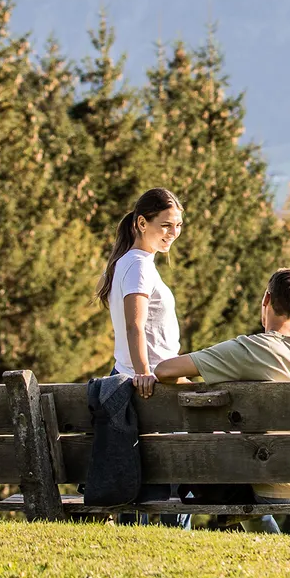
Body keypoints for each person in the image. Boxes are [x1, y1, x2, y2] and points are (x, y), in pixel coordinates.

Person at [153, 268, 290, 542]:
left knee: (246, 480)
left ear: (266, 299)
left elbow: (164, 370)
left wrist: (191, 385)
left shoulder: (248, 350)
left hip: (273, 487)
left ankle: (274, 550)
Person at [97, 186, 188, 526]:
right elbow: (135, 326)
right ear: (141, 223)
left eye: (177, 225)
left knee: (147, 480)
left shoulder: (132, 262)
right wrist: (144, 373)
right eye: (165, 225)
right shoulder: (138, 266)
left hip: (132, 375)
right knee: (170, 475)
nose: (173, 233)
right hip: (153, 383)